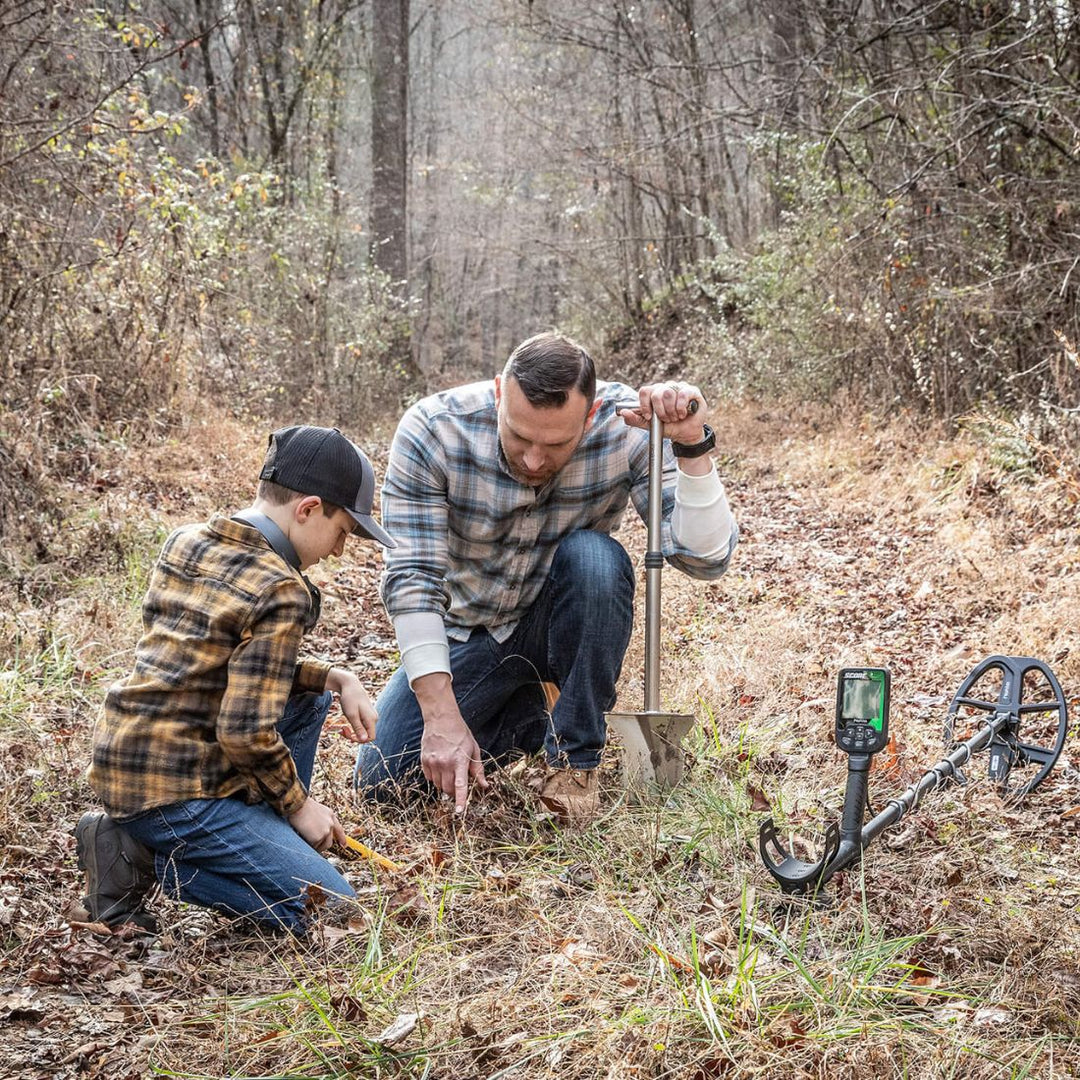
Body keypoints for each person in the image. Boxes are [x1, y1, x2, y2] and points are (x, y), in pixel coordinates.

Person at [355, 331, 737, 822]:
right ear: (499, 395)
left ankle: (573, 760)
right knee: (384, 782)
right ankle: (537, 710)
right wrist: (441, 714)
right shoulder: (434, 429)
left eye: (556, 443)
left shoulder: (627, 428)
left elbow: (705, 561)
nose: (534, 459)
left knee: (595, 558)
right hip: (466, 632)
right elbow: (414, 581)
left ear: (590, 414)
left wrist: (691, 446)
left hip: (558, 623)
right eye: (519, 436)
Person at [77, 425, 395, 934]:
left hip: (126, 757)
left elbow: (218, 664)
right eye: (342, 531)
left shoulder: (188, 540)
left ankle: (255, 834)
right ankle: (136, 854)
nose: (339, 550)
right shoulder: (281, 587)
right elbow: (245, 731)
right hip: (172, 793)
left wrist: (335, 677)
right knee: (334, 911)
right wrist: (300, 807)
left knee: (309, 699)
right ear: (309, 509)